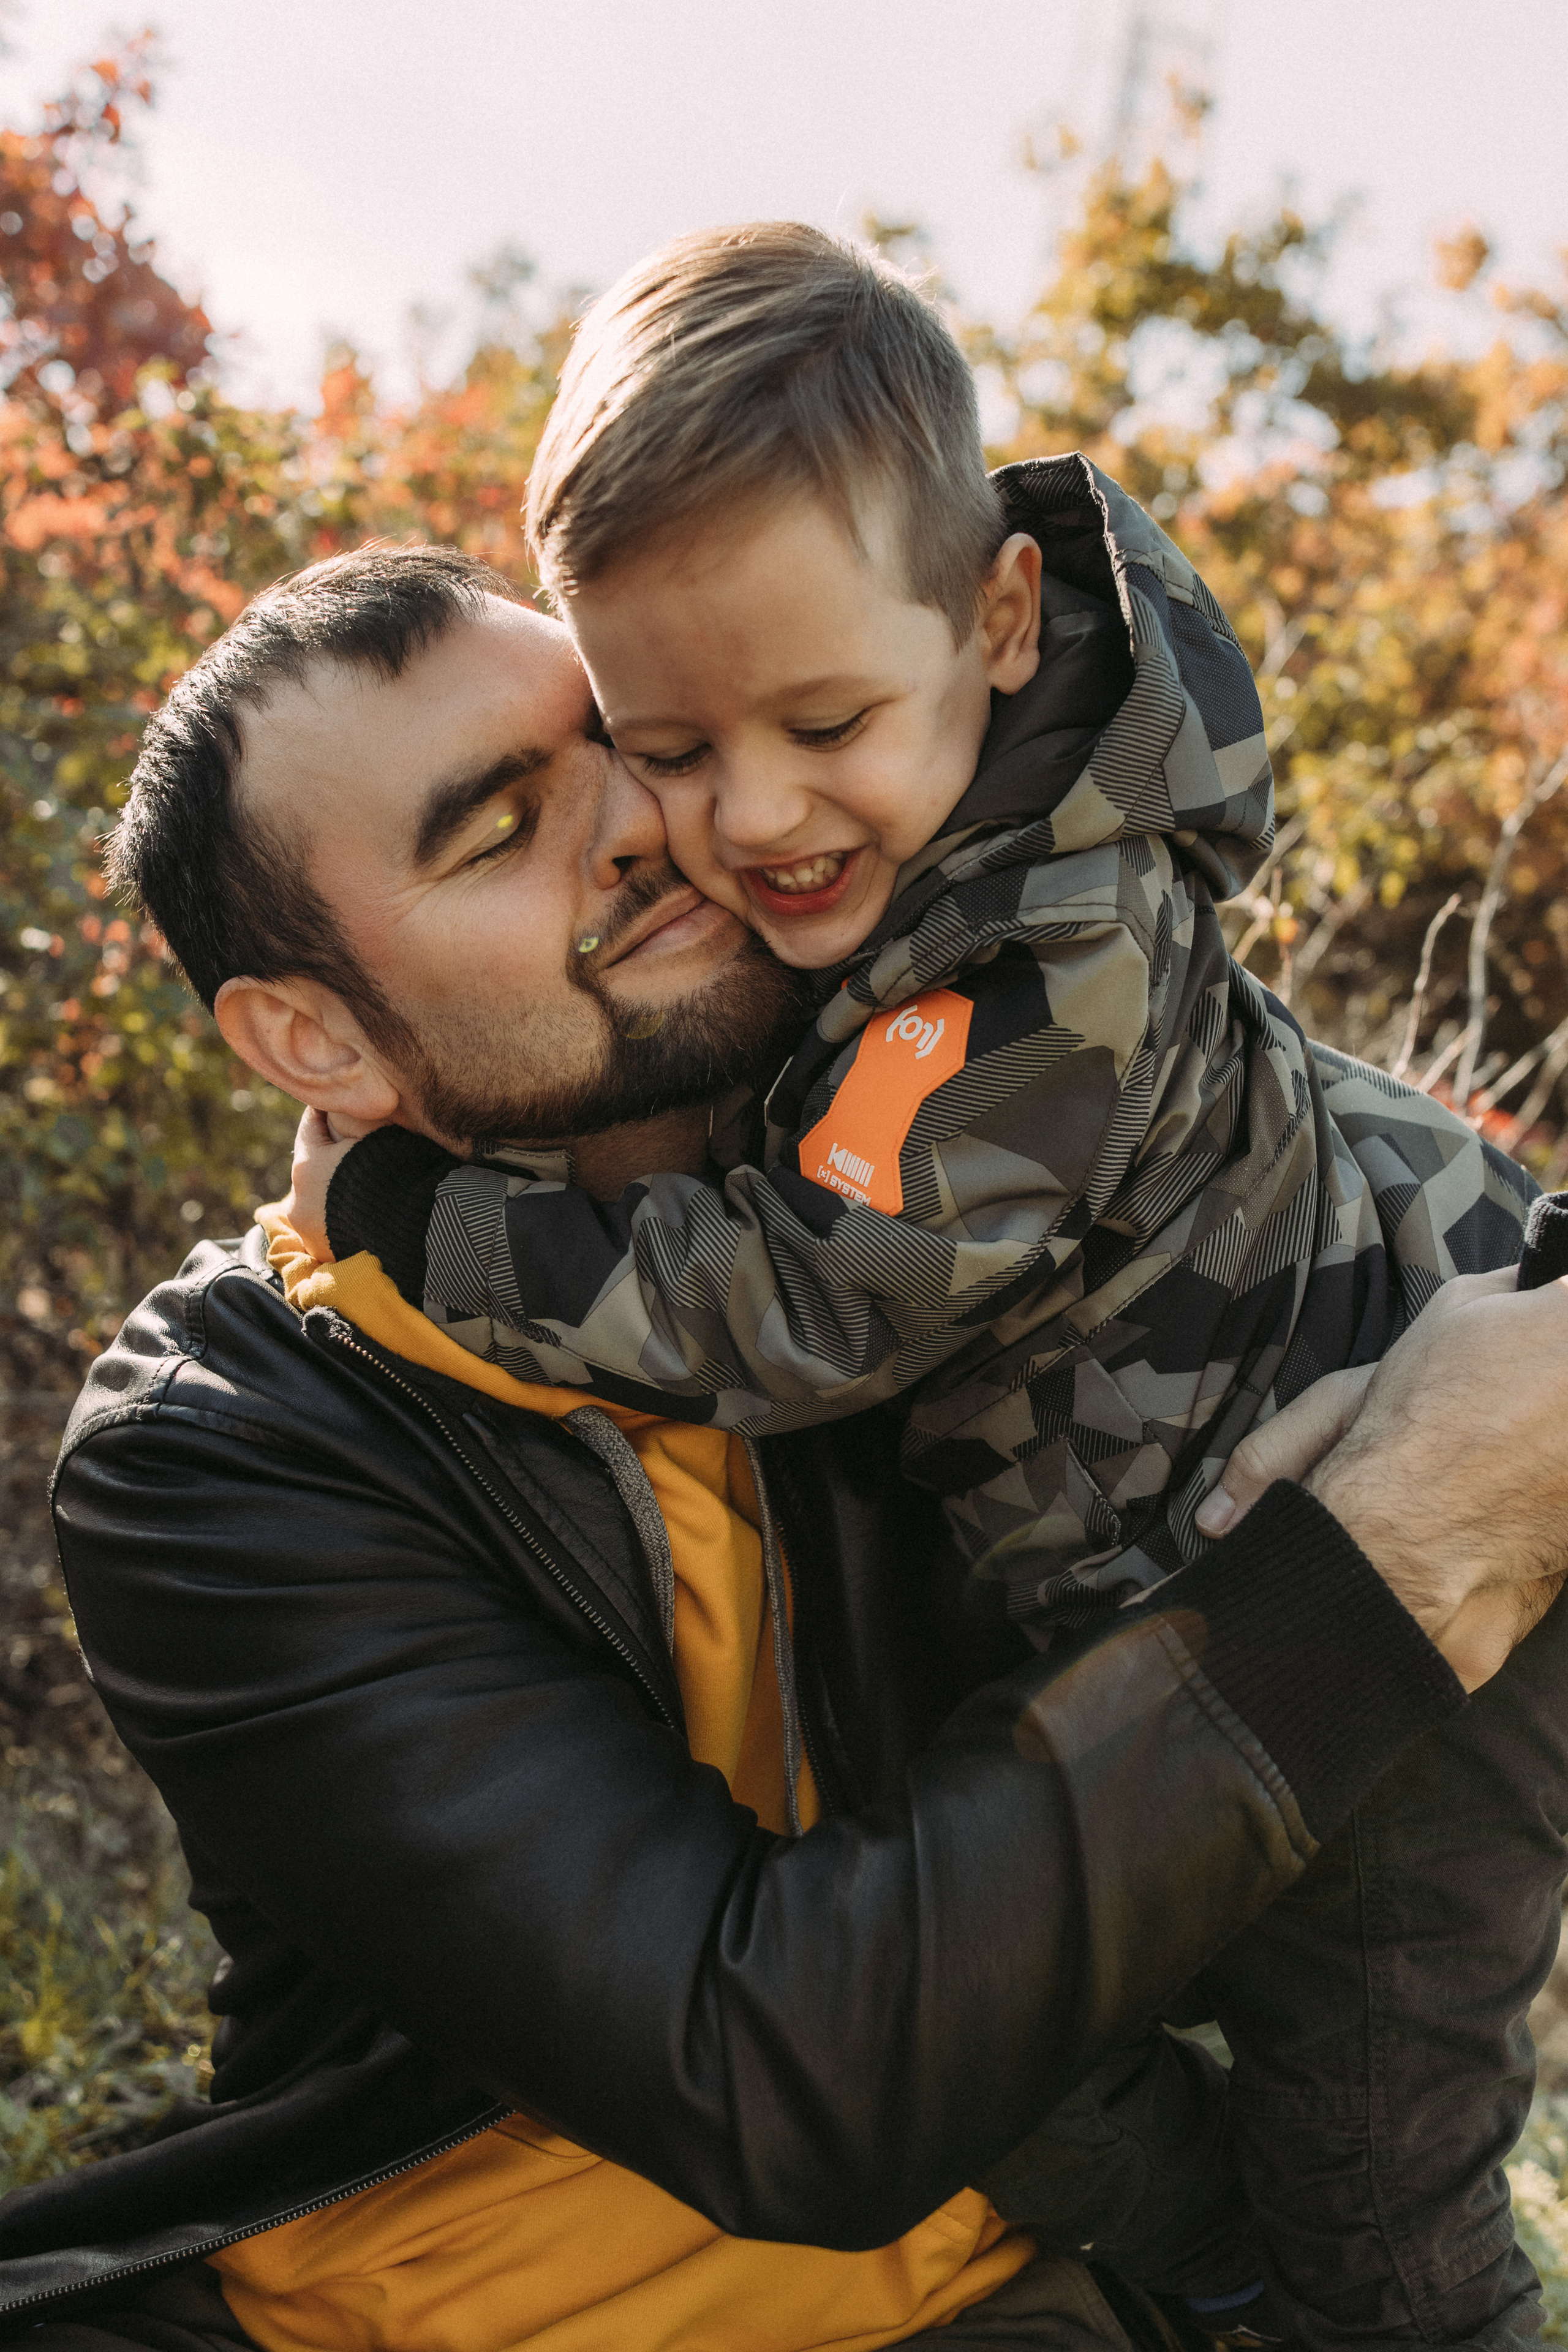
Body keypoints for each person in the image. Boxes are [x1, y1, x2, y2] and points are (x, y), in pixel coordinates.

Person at [1, 550, 1562, 2352]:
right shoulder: (231, 1441)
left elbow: (1359, 1194)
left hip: (1034, 2278)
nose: (642, 829)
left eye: (627, 745)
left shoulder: (933, 1164)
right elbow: (766, 2075)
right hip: (453, 2317)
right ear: (314, 1038)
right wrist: (1391, 1546)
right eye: (498, 831)